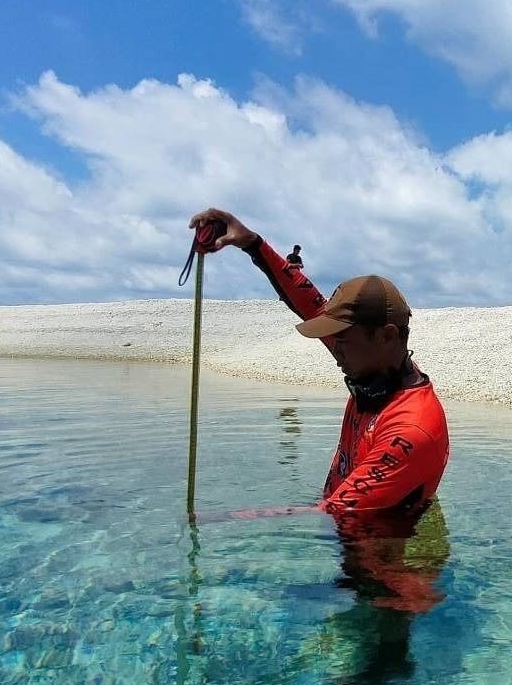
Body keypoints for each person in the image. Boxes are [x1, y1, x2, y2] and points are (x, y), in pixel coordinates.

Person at [188, 207, 450, 521]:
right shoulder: (374, 365)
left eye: (342, 341)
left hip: (382, 563)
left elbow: (328, 514)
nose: (332, 349)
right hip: (350, 529)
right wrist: (252, 244)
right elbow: (308, 304)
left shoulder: (411, 430)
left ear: (387, 336)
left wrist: (218, 519)